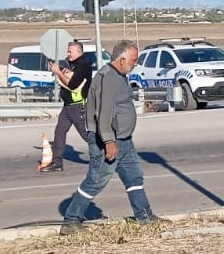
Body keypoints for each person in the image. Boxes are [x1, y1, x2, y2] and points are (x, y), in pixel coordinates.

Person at [60, 39, 157, 233]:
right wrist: (109, 141)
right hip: (108, 141)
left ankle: (145, 218)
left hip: (124, 140)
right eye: (133, 59)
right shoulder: (109, 78)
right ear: (121, 60)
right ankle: (71, 221)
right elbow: (104, 113)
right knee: (96, 180)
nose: (135, 63)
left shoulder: (119, 75)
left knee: (134, 176)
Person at [41, 39, 92, 172]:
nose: (68, 53)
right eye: (68, 51)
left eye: (70, 51)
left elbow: (73, 85)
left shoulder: (83, 65)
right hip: (68, 106)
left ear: (79, 52)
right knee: (59, 132)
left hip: (78, 106)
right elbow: (71, 78)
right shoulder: (75, 64)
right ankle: (57, 162)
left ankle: (108, 154)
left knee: (86, 134)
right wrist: (64, 71)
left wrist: (58, 72)